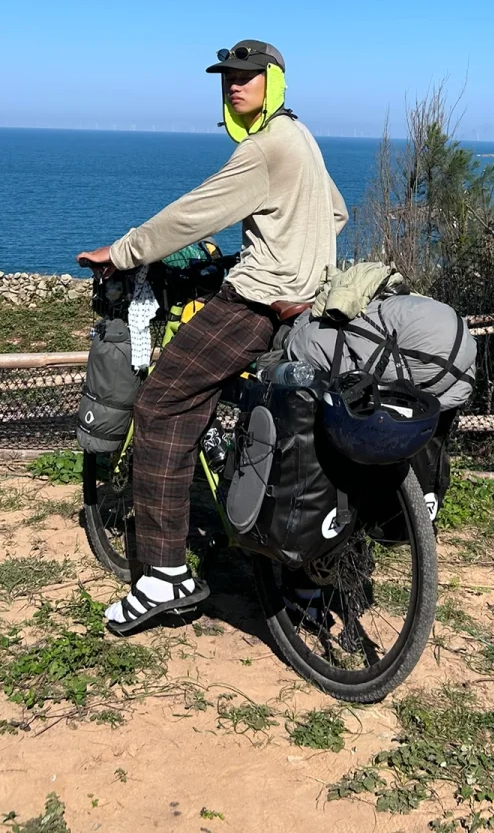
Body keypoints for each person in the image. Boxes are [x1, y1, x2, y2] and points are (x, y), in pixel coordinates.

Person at [77, 40, 348, 634]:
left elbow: (193, 214)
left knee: (160, 405)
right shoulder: (301, 137)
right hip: (308, 305)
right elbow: (336, 213)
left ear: (274, 81)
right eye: (227, 76)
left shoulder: (265, 147)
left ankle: (164, 576)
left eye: (248, 75)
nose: (234, 84)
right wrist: (293, 253)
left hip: (255, 305)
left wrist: (121, 253)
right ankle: (303, 580)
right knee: (289, 426)